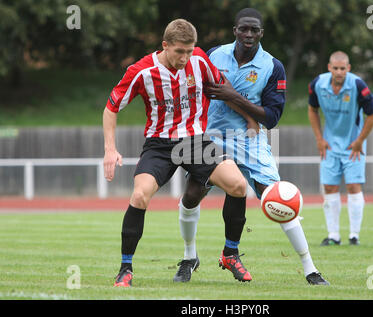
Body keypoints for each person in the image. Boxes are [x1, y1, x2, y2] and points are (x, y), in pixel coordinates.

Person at [173, 8, 329, 285]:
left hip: (249, 141)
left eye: (253, 30)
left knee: (279, 198)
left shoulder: (272, 66)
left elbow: (271, 118)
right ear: (235, 30)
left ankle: (310, 269)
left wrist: (236, 99)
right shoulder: (212, 56)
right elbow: (201, 90)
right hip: (210, 137)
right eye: (243, 29)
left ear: (261, 33)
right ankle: (189, 257)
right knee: (192, 194)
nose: (248, 34)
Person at [103, 19, 250, 287]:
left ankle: (230, 254)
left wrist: (250, 119)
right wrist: (110, 150)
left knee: (239, 185)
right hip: (159, 145)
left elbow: (223, 88)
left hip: (195, 143)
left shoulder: (200, 60)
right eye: (179, 51)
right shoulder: (141, 71)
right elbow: (111, 108)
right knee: (139, 195)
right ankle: (125, 269)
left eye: (189, 51)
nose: (185, 58)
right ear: (165, 45)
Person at [307, 51, 373, 246]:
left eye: (343, 68)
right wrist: (319, 139)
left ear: (348, 68)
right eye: (335, 68)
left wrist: (359, 141)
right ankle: (333, 236)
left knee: (353, 186)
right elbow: (312, 109)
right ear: (329, 68)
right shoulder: (317, 85)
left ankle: (354, 236)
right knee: (329, 187)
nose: (339, 72)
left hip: (353, 146)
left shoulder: (358, 85)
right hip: (329, 145)